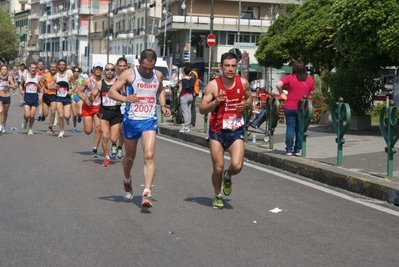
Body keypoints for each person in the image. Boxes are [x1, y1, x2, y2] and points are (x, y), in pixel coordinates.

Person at [108, 49, 171, 208]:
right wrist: (125, 98)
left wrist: (163, 105)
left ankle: (147, 192)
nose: (148, 71)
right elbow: (111, 92)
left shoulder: (158, 75)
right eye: (145, 67)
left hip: (149, 119)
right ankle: (127, 180)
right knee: (130, 156)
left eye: (151, 67)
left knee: (149, 155)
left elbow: (160, 90)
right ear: (140, 63)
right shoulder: (129, 74)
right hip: (131, 120)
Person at [199, 52, 252, 209]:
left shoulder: (243, 83)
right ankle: (217, 195)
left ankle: (228, 177)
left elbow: (249, 98)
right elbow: (202, 109)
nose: (230, 69)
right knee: (218, 167)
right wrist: (215, 102)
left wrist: (246, 105)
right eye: (227, 66)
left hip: (236, 129)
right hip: (217, 130)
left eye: (233, 66)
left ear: (237, 66)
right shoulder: (213, 85)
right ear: (221, 66)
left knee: (237, 166)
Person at [276, 60, 315, 156]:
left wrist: (282, 93)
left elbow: (278, 84)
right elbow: (312, 93)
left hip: (290, 106)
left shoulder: (290, 77)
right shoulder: (309, 79)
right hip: (302, 108)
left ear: (294, 68)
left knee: (290, 128)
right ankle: (297, 150)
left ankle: (288, 150)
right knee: (300, 129)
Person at [90, 63, 121, 167]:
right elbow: (94, 95)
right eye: (107, 69)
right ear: (104, 71)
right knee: (104, 135)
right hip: (104, 112)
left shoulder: (118, 83)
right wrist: (90, 96)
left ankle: (114, 145)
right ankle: (107, 157)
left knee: (113, 139)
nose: (109, 71)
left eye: (112, 70)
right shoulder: (99, 83)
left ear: (114, 71)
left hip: (116, 113)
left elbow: (125, 93)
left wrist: (123, 99)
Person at [76, 63, 103, 157]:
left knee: (99, 128)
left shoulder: (104, 81)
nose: (98, 70)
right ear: (93, 70)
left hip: (99, 107)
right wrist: (84, 99)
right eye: (96, 68)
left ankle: (95, 149)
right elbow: (78, 91)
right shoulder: (88, 81)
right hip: (88, 107)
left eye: (100, 69)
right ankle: (81, 116)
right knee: (88, 131)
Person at [48, 59, 77, 138]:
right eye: (60, 65)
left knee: (66, 116)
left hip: (67, 98)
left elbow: (75, 84)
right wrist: (54, 87)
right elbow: (49, 86)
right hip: (58, 98)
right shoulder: (55, 76)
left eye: (63, 65)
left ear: (65, 66)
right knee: (60, 115)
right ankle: (61, 131)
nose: (62, 66)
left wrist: (71, 90)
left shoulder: (69, 76)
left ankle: (67, 119)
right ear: (58, 66)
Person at [20, 62, 41, 135]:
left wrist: (41, 90)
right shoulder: (25, 76)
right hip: (27, 97)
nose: (33, 69)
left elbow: (41, 87)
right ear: (29, 68)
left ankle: (30, 128)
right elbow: (21, 85)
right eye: (32, 68)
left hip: (35, 97)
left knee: (32, 115)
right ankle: (25, 120)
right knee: (27, 115)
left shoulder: (38, 77)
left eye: (35, 68)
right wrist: (21, 90)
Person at [38, 62, 58, 134]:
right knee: (46, 114)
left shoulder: (58, 76)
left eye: (54, 67)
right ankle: (43, 116)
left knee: (53, 111)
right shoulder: (46, 75)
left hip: (54, 95)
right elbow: (39, 81)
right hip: (46, 95)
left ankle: (50, 127)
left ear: (56, 68)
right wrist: (43, 89)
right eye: (52, 67)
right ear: (49, 68)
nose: (53, 68)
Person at [116, 57, 128, 159]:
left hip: (126, 107)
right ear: (117, 67)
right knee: (115, 130)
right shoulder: (114, 78)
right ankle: (114, 144)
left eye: (124, 66)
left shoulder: (129, 78)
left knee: (122, 130)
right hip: (115, 107)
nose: (122, 68)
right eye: (120, 66)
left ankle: (120, 147)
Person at [0, 65, 16, 133]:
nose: (4, 70)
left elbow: (14, 87)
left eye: (5, 69)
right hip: (0, 96)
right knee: (0, 111)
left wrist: (8, 85)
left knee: (5, 112)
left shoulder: (9, 78)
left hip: (7, 97)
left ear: (7, 70)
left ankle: (4, 124)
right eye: (2, 69)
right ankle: (0, 125)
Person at [178, 65, 194, 133]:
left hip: (184, 96)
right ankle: (189, 126)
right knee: (189, 111)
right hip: (190, 96)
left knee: (185, 112)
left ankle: (186, 127)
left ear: (184, 73)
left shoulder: (182, 80)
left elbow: (180, 90)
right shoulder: (191, 79)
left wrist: (178, 86)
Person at [70, 67, 84, 133]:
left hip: (79, 97)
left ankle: (79, 116)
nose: (76, 72)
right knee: (74, 114)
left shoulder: (81, 80)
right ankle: (74, 127)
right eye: (75, 71)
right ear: (73, 72)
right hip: (73, 97)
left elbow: (86, 87)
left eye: (77, 71)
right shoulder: (70, 79)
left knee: (80, 113)